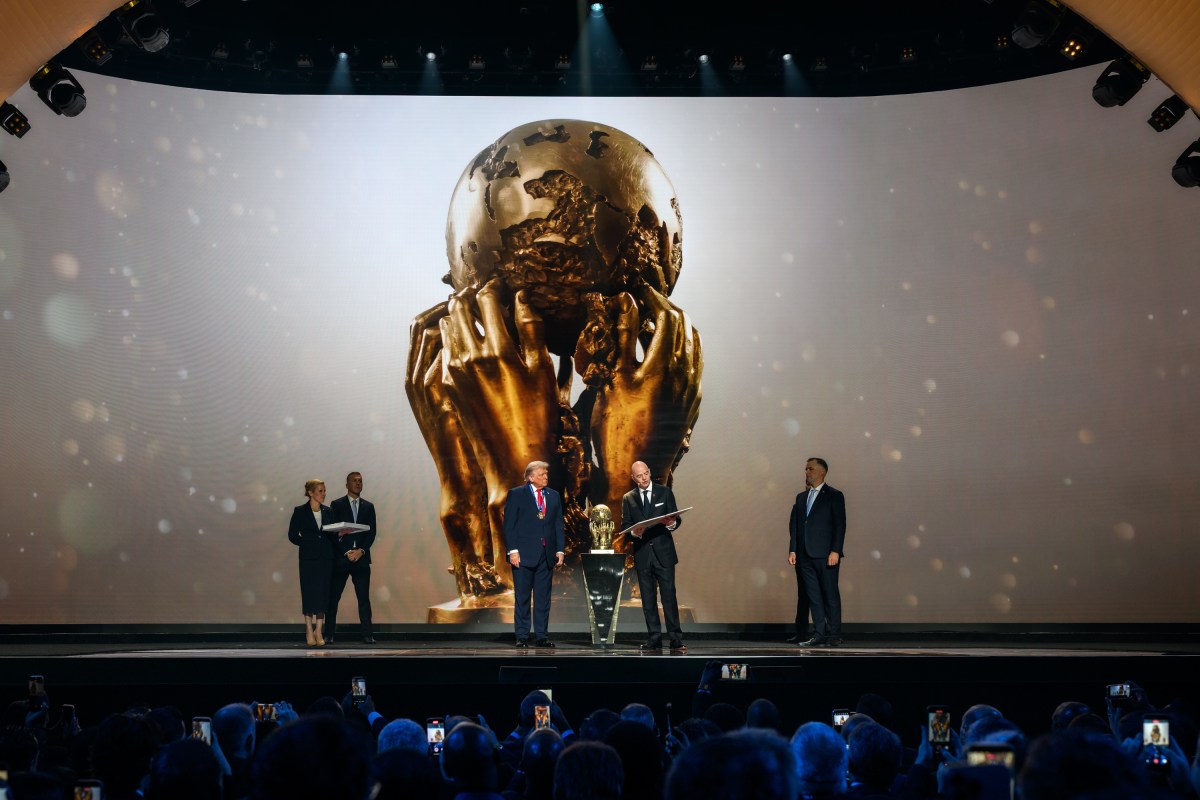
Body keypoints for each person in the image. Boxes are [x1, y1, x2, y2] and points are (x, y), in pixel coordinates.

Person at [620, 460, 685, 652]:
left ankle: (676, 639)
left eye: (646, 474)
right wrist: (634, 532)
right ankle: (654, 639)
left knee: (669, 598)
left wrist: (671, 523)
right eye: (639, 476)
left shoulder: (664, 492)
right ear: (633, 478)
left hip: (663, 553)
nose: (643, 478)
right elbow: (625, 525)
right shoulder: (629, 498)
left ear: (649, 472)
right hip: (643, 554)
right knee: (648, 600)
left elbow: (676, 519)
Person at [504, 461, 565, 648]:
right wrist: (512, 551)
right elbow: (509, 525)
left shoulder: (553, 496)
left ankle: (541, 637)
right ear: (531, 477)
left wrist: (560, 550)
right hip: (522, 555)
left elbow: (557, 525)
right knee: (522, 597)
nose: (546, 477)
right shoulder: (517, 494)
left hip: (546, 555)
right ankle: (522, 636)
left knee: (543, 599)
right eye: (541, 474)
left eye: (546, 474)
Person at [788, 457, 846, 647]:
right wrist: (794, 550)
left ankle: (834, 634)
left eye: (810, 469)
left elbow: (839, 525)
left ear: (822, 472)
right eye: (805, 469)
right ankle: (819, 633)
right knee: (813, 596)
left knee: (830, 595)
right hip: (805, 556)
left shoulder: (834, 495)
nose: (807, 472)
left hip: (825, 554)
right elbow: (796, 526)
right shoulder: (801, 497)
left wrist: (835, 550)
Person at [327, 471, 377, 644]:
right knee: (333, 598)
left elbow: (372, 533)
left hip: (361, 559)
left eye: (360, 481)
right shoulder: (337, 505)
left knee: (364, 599)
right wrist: (346, 551)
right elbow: (333, 533)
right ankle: (329, 633)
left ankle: (367, 634)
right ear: (346, 484)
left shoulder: (368, 507)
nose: (358, 483)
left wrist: (361, 551)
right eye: (354, 481)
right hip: (342, 559)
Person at [287, 478, 335, 646]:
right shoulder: (300, 511)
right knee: (309, 593)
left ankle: (319, 630)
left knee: (323, 593)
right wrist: (307, 543)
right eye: (320, 491)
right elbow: (292, 535)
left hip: (325, 558)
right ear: (310, 493)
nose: (324, 494)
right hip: (308, 559)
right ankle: (309, 629)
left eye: (324, 490)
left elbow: (332, 534)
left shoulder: (328, 511)